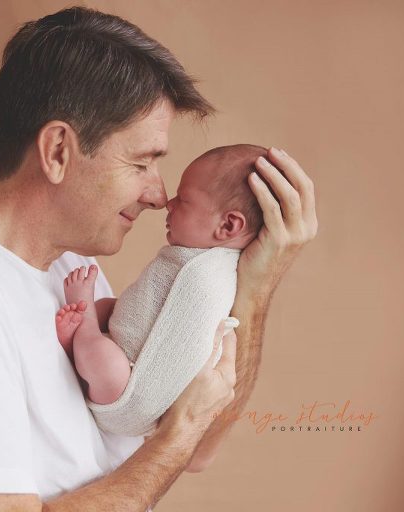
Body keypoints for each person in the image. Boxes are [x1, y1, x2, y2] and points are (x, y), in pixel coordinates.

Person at [0, 7, 317, 512]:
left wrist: (254, 286)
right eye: (140, 162)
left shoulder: (70, 268)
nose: (159, 196)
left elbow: (199, 445)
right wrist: (174, 439)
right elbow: (181, 438)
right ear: (57, 150)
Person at [54, 145, 267, 437]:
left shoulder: (209, 277)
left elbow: (186, 350)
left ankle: (85, 328)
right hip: (127, 346)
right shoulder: (194, 257)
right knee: (108, 306)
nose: (169, 203)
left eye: (185, 200)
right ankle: (81, 339)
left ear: (228, 225)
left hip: (129, 398)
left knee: (108, 361)